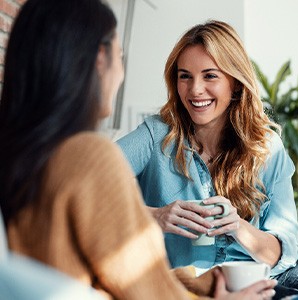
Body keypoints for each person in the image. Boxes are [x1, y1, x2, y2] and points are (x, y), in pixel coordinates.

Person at [0, 1, 277, 300]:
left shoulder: (23, 157)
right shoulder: (90, 156)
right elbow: (148, 290)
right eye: (121, 55)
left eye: (210, 76)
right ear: (99, 59)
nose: (196, 89)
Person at [117, 20, 298, 298]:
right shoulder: (157, 135)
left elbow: (281, 251)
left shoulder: (267, 148)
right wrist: (155, 215)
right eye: (185, 76)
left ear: (235, 83)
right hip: (180, 288)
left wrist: (238, 226)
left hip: (253, 286)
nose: (195, 90)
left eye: (210, 76)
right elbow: (89, 181)